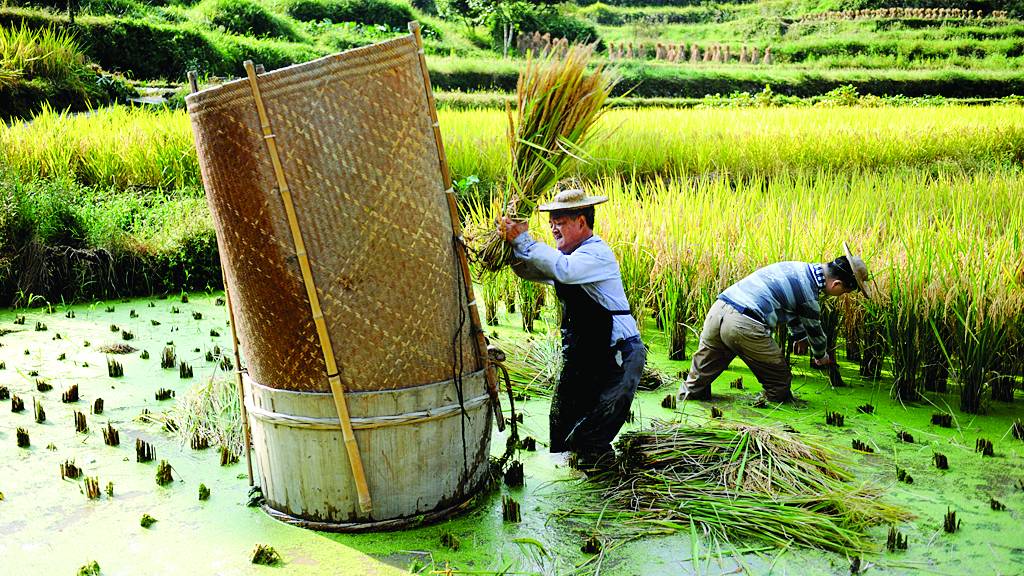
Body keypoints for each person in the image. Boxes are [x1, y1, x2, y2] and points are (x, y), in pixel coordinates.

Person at [501, 189, 646, 467]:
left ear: (581, 222)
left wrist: (524, 239)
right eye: (551, 222)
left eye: (561, 221)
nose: (554, 228)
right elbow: (532, 270)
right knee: (563, 422)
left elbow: (564, 270)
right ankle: (568, 472)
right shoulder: (568, 257)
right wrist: (509, 249)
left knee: (592, 434)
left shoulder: (594, 254)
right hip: (586, 354)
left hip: (619, 355)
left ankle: (598, 483)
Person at [678, 243, 871, 404]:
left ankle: (683, 410)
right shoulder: (810, 295)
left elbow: (790, 306)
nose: (841, 295)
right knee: (779, 382)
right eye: (845, 292)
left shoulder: (797, 268)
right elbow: (815, 331)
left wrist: (799, 336)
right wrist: (821, 357)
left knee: (697, 382)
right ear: (836, 284)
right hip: (743, 323)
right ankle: (763, 424)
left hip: (718, 310)